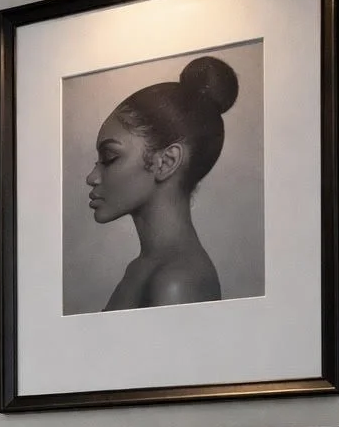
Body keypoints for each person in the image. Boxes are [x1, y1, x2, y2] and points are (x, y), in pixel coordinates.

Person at [85, 55, 238, 311]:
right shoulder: (143, 268)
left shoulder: (176, 282)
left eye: (109, 158)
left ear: (167, 161)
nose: (92, 177)